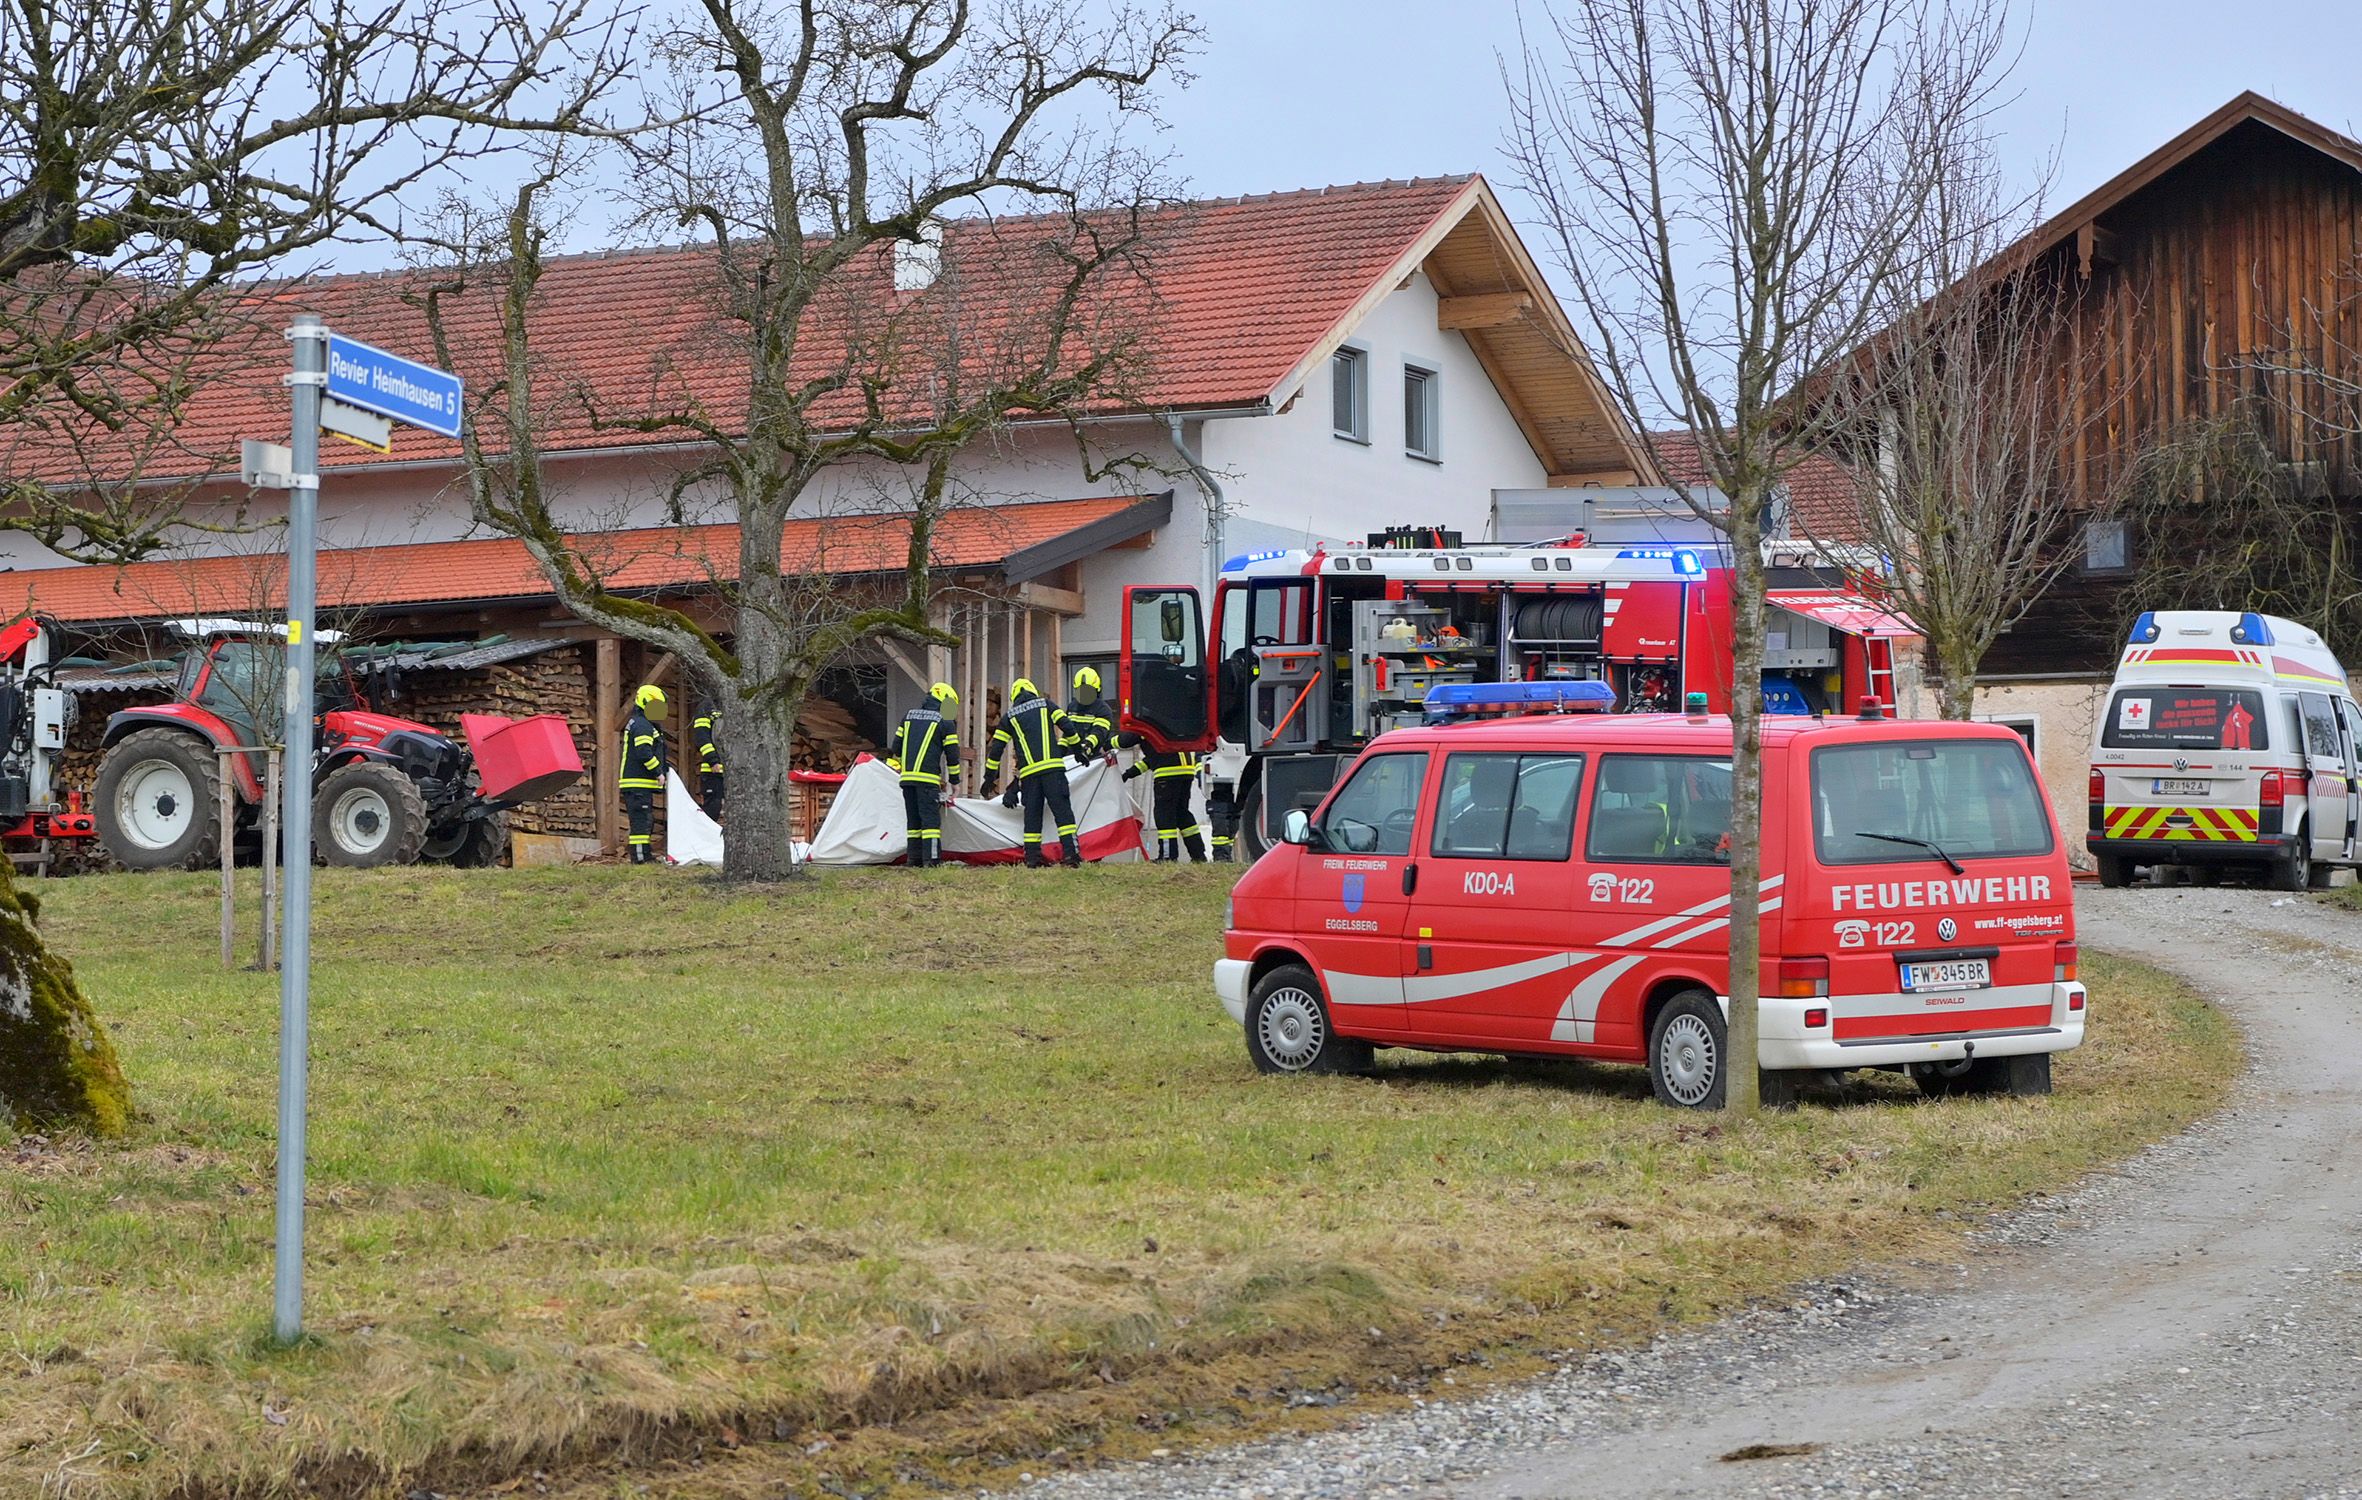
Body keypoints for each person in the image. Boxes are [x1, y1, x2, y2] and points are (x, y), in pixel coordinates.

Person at [980, 676, 1082, 867]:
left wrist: (989, 778)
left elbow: (996, 750)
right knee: (1063, 814)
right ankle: (1071, 856)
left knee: (1032, 817)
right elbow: (1067, 726)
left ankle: (1032, 859)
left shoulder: (1009, 717)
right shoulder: (1046, 705)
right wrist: (1078, 751)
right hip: (1053, 770)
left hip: (1029, 776)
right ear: (1032, 692)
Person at [891, 682, 962, 868]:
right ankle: (932, 861)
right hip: (928, 781)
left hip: (906, 780)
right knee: (930, 822)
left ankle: (913, 860)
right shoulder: (945, 722)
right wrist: (954, 781)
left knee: (913, 822)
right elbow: (952, 755)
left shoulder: (908, 717)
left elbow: (896, 748)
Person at [1128, 747, 1208, 861]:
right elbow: (1151, 759)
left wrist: (1108, 746)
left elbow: (1127, 741)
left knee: (1164, 817)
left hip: (1167, 775)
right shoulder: (1175, 733)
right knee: (1183, 815)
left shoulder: (1158, 733)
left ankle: (1168, 856)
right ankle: (1198, 855)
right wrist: (1128, 774)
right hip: (1186, 773)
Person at [620, 684, 669, 865]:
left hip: (638, 784)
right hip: (637, 783)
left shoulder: (643, 723)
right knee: (641, 822)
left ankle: (644, 856)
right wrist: (658, 772)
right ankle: (640, 859)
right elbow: (643, 752)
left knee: (645, 821)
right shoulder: (643, 726)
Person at [1064, 666, 1119, 757]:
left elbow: (1099, 732)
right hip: (1071, 757)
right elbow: (1067, 731)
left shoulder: (1102, 709)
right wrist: (1061, 748)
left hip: (1094, 758)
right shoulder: (1072, 707)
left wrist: (1087, 746)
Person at [692, 706, 725, 821]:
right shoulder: (705, 709)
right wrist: (713, 760)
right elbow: (702, 738)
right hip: (713, 772)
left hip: (731, 772)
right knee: (712, 811)